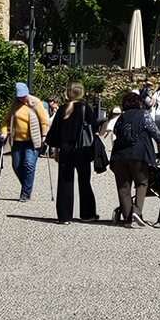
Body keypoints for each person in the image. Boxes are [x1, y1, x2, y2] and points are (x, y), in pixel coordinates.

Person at [108, 90, 160, 227]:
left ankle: (127, 218)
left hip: (120, 154)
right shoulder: (144, 114)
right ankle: (136, 211)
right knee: (142, 182)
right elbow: (153, 130)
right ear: (139, 102)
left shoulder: (121, 117)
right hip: (139, 153)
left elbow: (116, 132)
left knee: (123, 186)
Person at [50, 80, 101, 225]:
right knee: (84, 181)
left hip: (65, 150)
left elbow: (55, 132)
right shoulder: (85, 109)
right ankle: (87, 214)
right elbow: (94, 127)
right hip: (82, 149)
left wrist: (55, 149)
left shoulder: (62, 109)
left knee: (65, 182)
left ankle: (64, 216)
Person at [0, 81, 51, 202]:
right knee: (17, 166)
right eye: (19, 97)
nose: (21, 99)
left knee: (29, 164)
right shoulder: (15, 104)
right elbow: (6, 121)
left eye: (23, 96)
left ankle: (25, 193)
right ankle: (26, 185)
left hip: (32, 140)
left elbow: (44, 121)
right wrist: (4, 132)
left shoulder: (35, 102)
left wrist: (44, 135)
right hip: (17, 141)